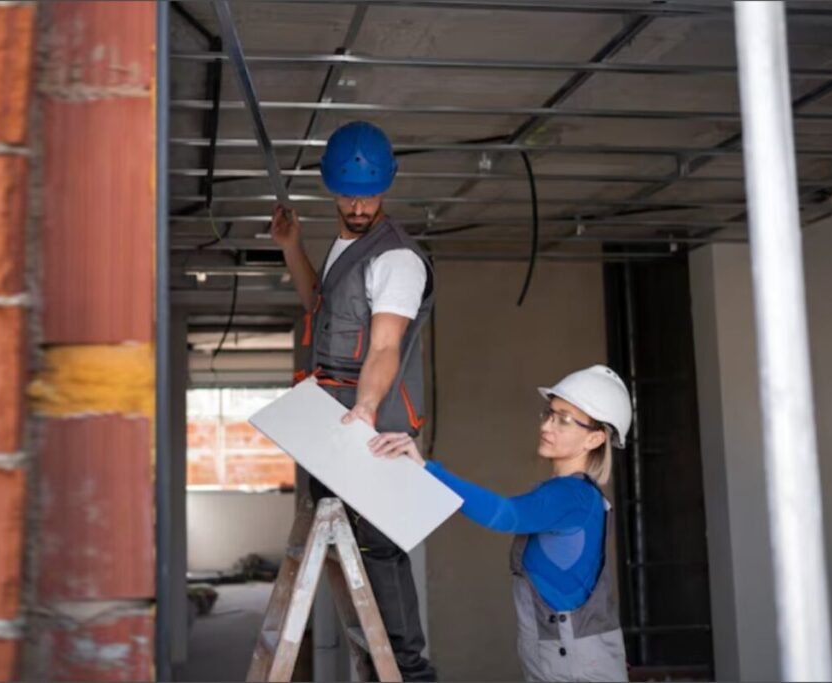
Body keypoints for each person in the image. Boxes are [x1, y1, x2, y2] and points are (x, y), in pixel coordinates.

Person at [271, 120, 437, 681]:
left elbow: (386, 344)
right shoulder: (348, 246)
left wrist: (365, 409)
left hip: (371, 427)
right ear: (332, 189)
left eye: (368, 194)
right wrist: (291, 248)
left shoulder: (396, 260)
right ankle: (375, 665)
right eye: (348, 194)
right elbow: (322, 306)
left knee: (382, 554)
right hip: (330, 425)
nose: (360, 205)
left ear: (387, 187)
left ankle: (409, 675)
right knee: (349, 551)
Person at [369, 365, 633, 682]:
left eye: (564, 419)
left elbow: (505, 515)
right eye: (549, 413)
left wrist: (428, 469)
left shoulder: (571, 496)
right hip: (566, 655)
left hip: (574, 663)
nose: (548, 425)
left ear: (594, 438)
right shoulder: (574, 495)